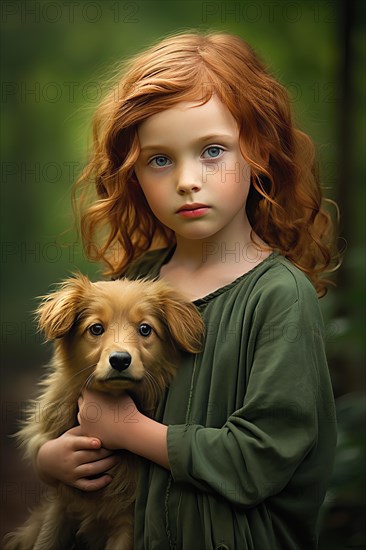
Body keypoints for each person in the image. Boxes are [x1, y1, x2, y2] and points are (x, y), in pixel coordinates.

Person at [36, 32, 339, 549]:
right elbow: (74, 400)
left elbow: (260, 462)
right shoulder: (138, 283)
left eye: (213, 150)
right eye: (159, 160)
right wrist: (53, 457)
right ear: (133, 176)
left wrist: (130, 430)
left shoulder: (279, 297)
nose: (186, 180)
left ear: (260, 151)